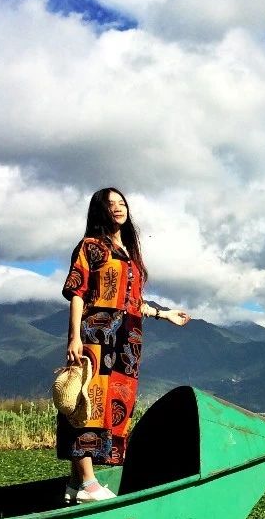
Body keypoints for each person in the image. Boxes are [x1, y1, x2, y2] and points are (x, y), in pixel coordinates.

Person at [59, 187, 189, 502]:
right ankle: (88, 483)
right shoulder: (91, 246)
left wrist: (163, 314)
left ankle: (75, 483)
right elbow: (77, 292)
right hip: (96, 336)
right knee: (86, 404)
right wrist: (74, 336)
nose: (118, 208)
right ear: (99, 210)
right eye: (110, 204)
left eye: (122, 203)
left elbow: (131, 302)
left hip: (126, 342)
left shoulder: (129, 253)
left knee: (112, 404)